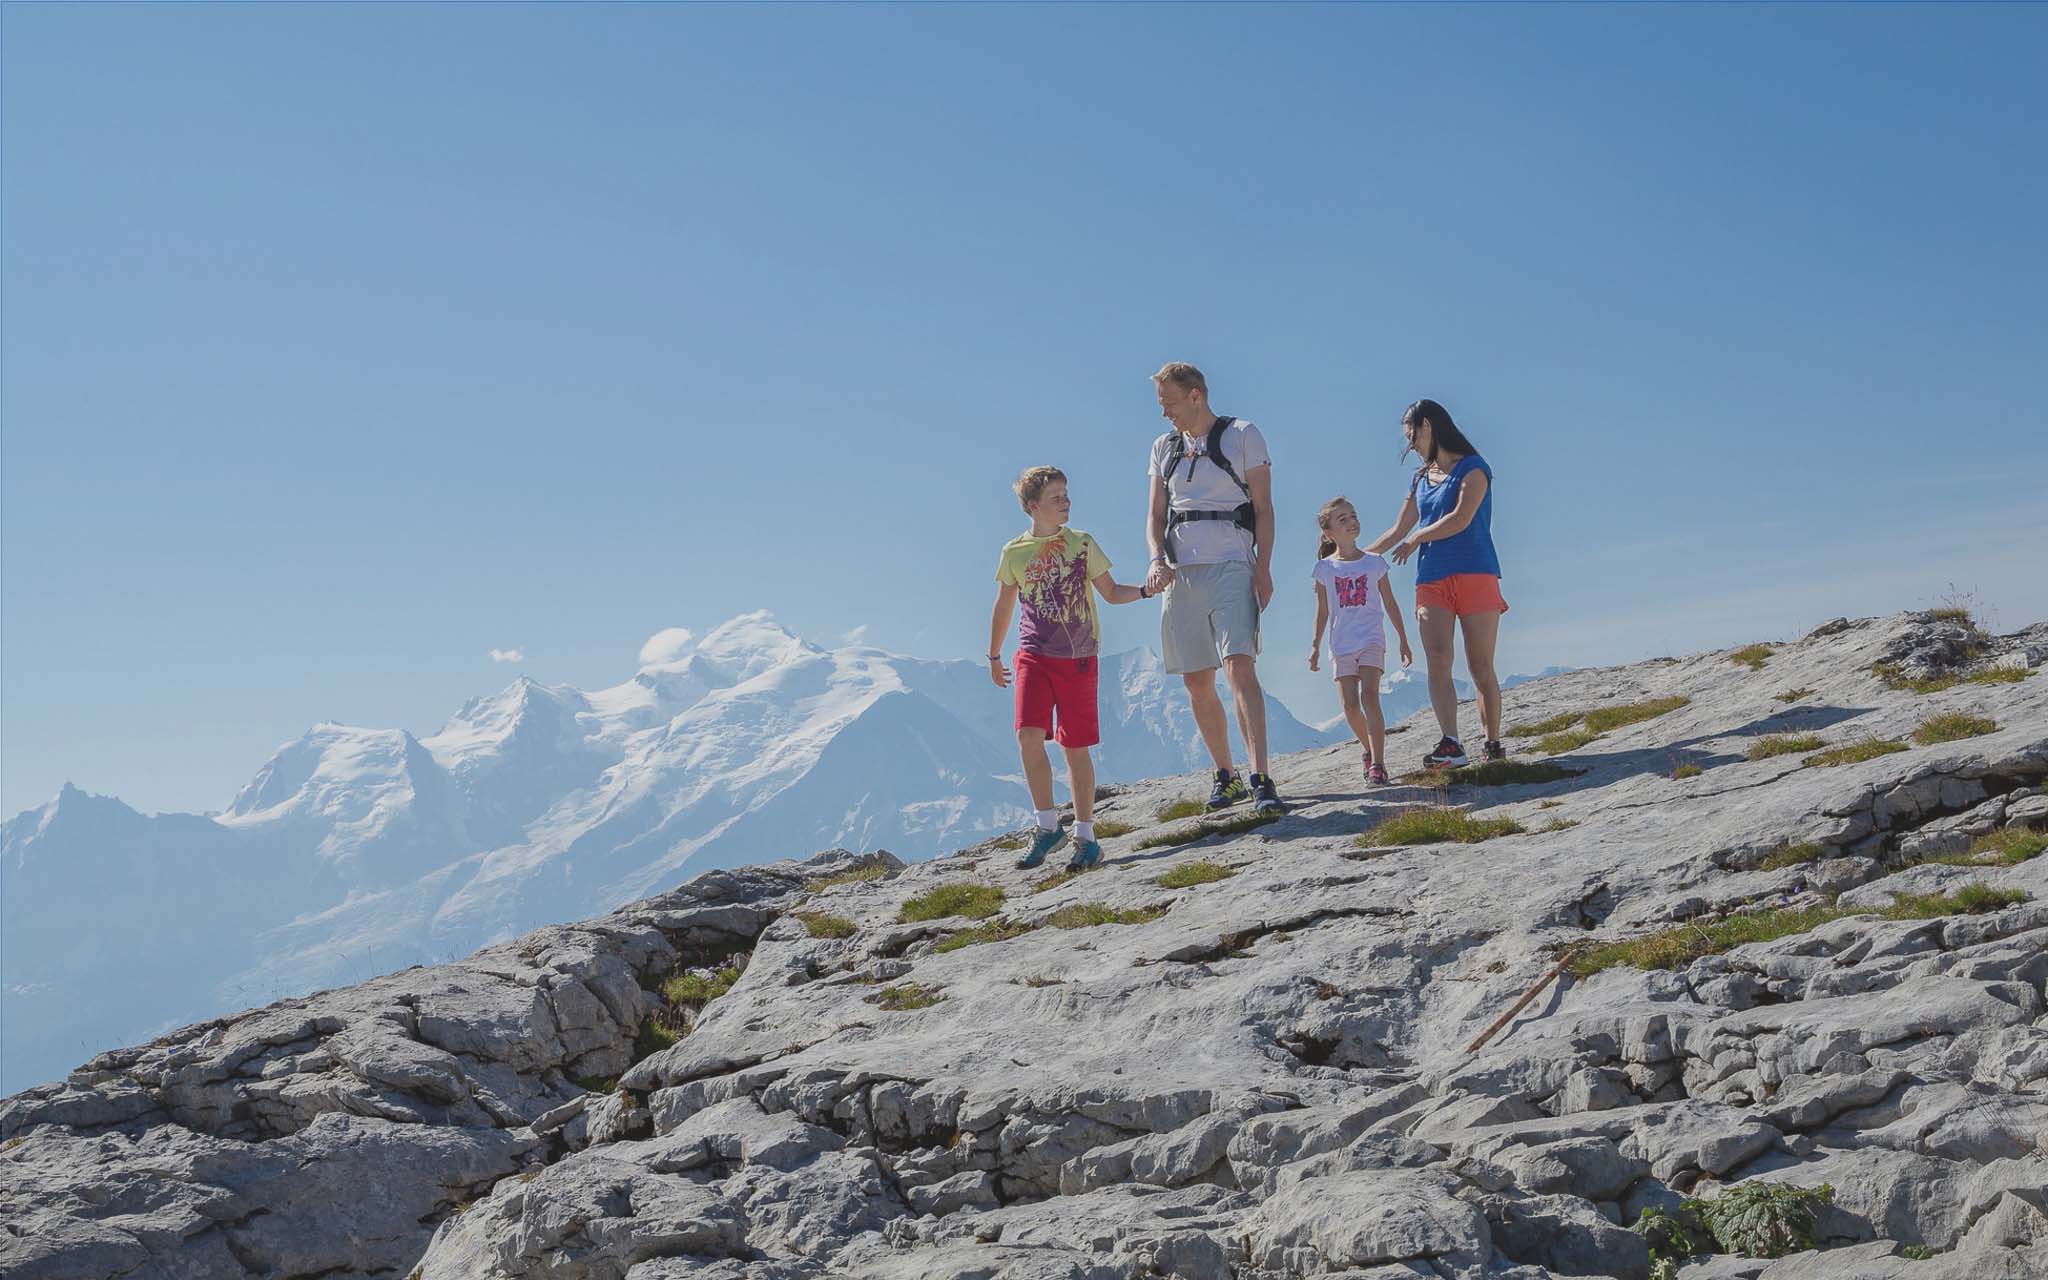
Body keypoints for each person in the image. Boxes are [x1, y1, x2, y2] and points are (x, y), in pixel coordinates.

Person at [989, 465, 1150, 872]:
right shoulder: (1014, 552)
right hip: (1033, 655)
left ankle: (1086, 837)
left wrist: (1149, 589)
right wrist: (993, 655)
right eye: (1056, 497)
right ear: (1033, 506)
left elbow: (1111, 593)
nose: (1066, 502)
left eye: (1067, 495)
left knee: (1073, 747)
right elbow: (1004, 605)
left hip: (1078, 657)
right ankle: (1047, 826)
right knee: (1028, 735)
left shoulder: (1082, 544)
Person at [1143, 362, 1285, 816]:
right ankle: (1227, 776)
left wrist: (1263, 568)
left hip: (1231, 563)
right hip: (1182, 572)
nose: (1165, 413)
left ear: (1196, 395)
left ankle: (1261, 775)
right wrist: (1156, 558)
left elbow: (1263, 508)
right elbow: (1155, 516)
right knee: (1196, 680)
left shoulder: (1243, 435)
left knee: (1239, 667)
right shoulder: (1163, 448)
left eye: (1169, 402)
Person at [1366, 399, 1507, 769]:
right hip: (1431, 580)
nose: (1410, 445)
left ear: (1427, 426)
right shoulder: (1420, 479)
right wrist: (1356, 559)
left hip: (1476, 572)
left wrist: (1418, 539)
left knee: (1480, 666)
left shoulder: (1475, 469)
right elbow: (1398, 529)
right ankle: (1451, 742)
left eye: (1411, 436)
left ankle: (1492, 741)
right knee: (1438, 660)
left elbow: (1461, 518)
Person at [1308, 497, 1413, 785]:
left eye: (1353, 516)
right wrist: (1315, 645)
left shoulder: (1374, 563)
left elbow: (1390, 603)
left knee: (1370, 696)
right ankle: (1367, 750)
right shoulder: (1325, 569)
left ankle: (1378, 764)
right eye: (1342, 519)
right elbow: (1323, 609)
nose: (1351, 521)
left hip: (1371, 640)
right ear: (1329, 533)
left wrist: (1403, 639)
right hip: (1341, 645)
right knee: (1350, 707)